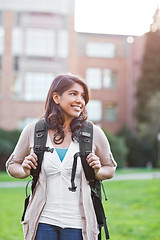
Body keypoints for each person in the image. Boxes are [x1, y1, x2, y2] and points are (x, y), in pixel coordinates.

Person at [6, 73, 117, 240]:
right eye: (73, 94)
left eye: (83, 96)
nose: (80, 100)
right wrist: (24, 170)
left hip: (79, 225)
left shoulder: (93, 132)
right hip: (42, 223)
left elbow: (110, 168)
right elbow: (12, 165)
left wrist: (98, 171)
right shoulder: (34, 131)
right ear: (56, 98)